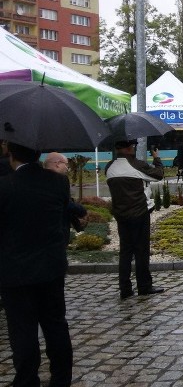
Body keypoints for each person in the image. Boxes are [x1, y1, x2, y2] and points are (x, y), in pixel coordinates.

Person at [0, 143, 73, 386]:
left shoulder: (5, 186)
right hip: (51, 268)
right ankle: (61, 379)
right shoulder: (58, 182)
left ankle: (27, 380)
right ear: (38, 154)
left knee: (22, 331)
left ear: (10, 153)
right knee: (56, 326)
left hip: (15, 271)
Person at [105, 139, 165, 300]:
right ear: (129, 148)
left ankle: (125, 288)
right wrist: (156, 158)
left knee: (125, 252)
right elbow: (159, 175)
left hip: (120, 214)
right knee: (141, 251)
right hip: (139, 212)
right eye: (132, 146)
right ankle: (144, 286)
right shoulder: (136, 165)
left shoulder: (109, 167)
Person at [44, 152, 87, 237]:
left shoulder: (36, 179)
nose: (67, 168)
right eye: (66, 164)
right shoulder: (61, 180)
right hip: (58, 229)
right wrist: (82, 211)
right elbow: (65, 203)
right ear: (58, 164)